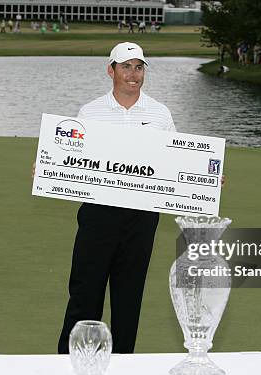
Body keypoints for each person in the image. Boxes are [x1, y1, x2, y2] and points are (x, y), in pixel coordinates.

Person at [57, 42, 176, 354]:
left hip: (141, 217)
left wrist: (206, 179)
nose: (133, 74)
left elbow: (176, 162)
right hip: (98, 216)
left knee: (128, 298)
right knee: (85, 295)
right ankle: (69, 366)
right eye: (126, 66)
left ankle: (124, 368)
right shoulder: (90, 111)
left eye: (139, 67)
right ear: (111, 70)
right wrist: (49, 167)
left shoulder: (160, 113)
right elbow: (71, 160)